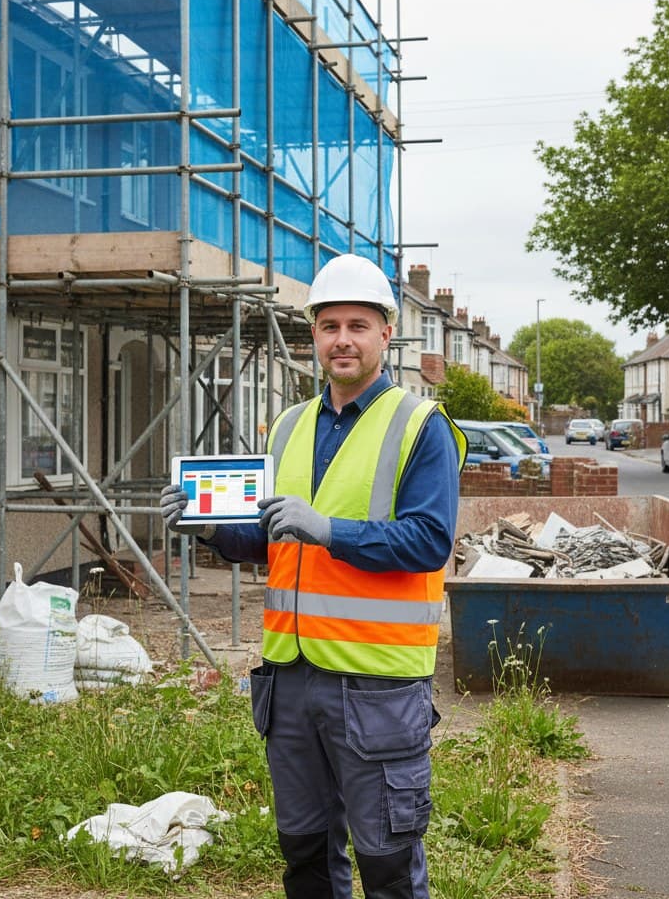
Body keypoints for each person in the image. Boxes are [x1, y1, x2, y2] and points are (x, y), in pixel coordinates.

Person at [160, 253, 466, 899]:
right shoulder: (290, 427)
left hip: (375, 689)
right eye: (329, 326)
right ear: (313, 338)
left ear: (387, 333)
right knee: (303, 855)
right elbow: (273, 541)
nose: (343, 339)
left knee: (387, 862)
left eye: (358, 324)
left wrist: (329, 530)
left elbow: (430, 540)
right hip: (292, 684)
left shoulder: (421, 427)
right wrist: (209, 527)